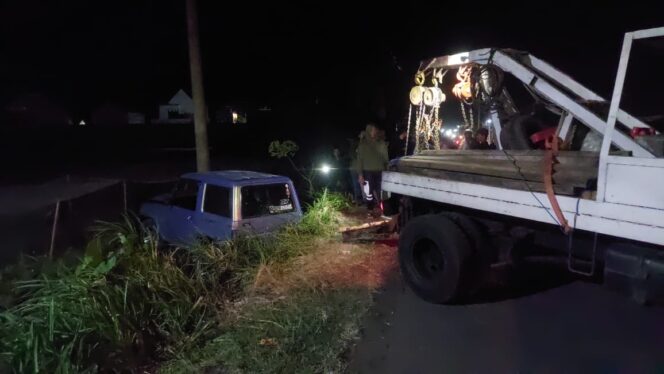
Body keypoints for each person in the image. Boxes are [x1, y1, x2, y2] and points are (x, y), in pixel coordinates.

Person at [356, 123, 389, 211]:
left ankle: (383, 209)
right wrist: (360, 174)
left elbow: (385, 157)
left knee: (380, 191)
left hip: (379, 171)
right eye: (372, 130)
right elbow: (359, 160)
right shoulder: (362, 145)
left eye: (375, 130)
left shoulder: (380, 143)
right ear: (368, 131)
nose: (374, 132)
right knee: (369, 192)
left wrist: (387, 166)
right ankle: (370, 209)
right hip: (368, 171)